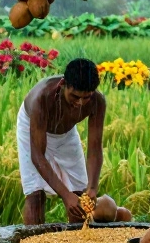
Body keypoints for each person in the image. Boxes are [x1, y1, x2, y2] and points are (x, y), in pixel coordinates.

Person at [18, 58, 105, 225]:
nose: (79, 103)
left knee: (81, 194)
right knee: (36, 193)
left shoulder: (97, 102)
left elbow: (94, 148)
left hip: (66, 133)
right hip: (33, 126)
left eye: (86, 97)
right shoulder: (42, 97)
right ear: (63, 84)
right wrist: (65, 195)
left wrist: (93, 187)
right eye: (74, 96)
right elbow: (37, 156)